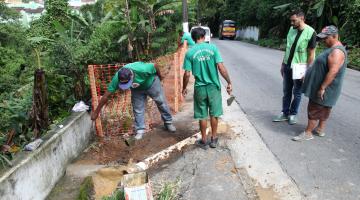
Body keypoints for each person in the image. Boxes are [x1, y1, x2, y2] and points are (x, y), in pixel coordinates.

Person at [91, 61, 176, 140]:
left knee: (161, 102)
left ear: (132, 76)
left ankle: (168, 122)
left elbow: (154, 66)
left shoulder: (142, 69)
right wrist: (96, 112)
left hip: (151, 82)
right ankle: (140, 130)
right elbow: (106, 96)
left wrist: (160, 77)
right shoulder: (117, 77)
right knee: (138, 108)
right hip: (137, 89)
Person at [292, 25, 347, 141]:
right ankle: (320, 129)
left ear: (335, 36)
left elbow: (333, 71)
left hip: (326, 87)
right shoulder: (333, 48)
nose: (323, 40)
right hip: (329, 88)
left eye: (326, 38)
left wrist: (322, 87)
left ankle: (308, 133)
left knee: (314, 108)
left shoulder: (336, 51)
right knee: (324, 107)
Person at [182, 27, 232, 149]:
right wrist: (229, 82)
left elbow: (187, 74)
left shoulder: (189, 53)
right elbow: (220, 67)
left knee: (202, 115)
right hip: (213, 87)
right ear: (204, 37)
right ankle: (213, 139)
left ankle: (204, 139)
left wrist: (184, 88)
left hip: (200, 88)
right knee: (214, 114)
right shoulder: (213, 48)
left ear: (193, 39)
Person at [273, 10, 317, 125]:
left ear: (301, 18)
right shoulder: (291, 30)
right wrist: (283, 64)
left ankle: (293, 114)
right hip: (288, 64)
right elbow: (288, 48)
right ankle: (284, 113)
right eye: (291, 20)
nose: (291, 23)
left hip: (300, 67)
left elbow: (312, 54)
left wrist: (306, 71)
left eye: (294, 20)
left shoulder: (311, 32)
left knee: (297, 92)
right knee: (286, 91)